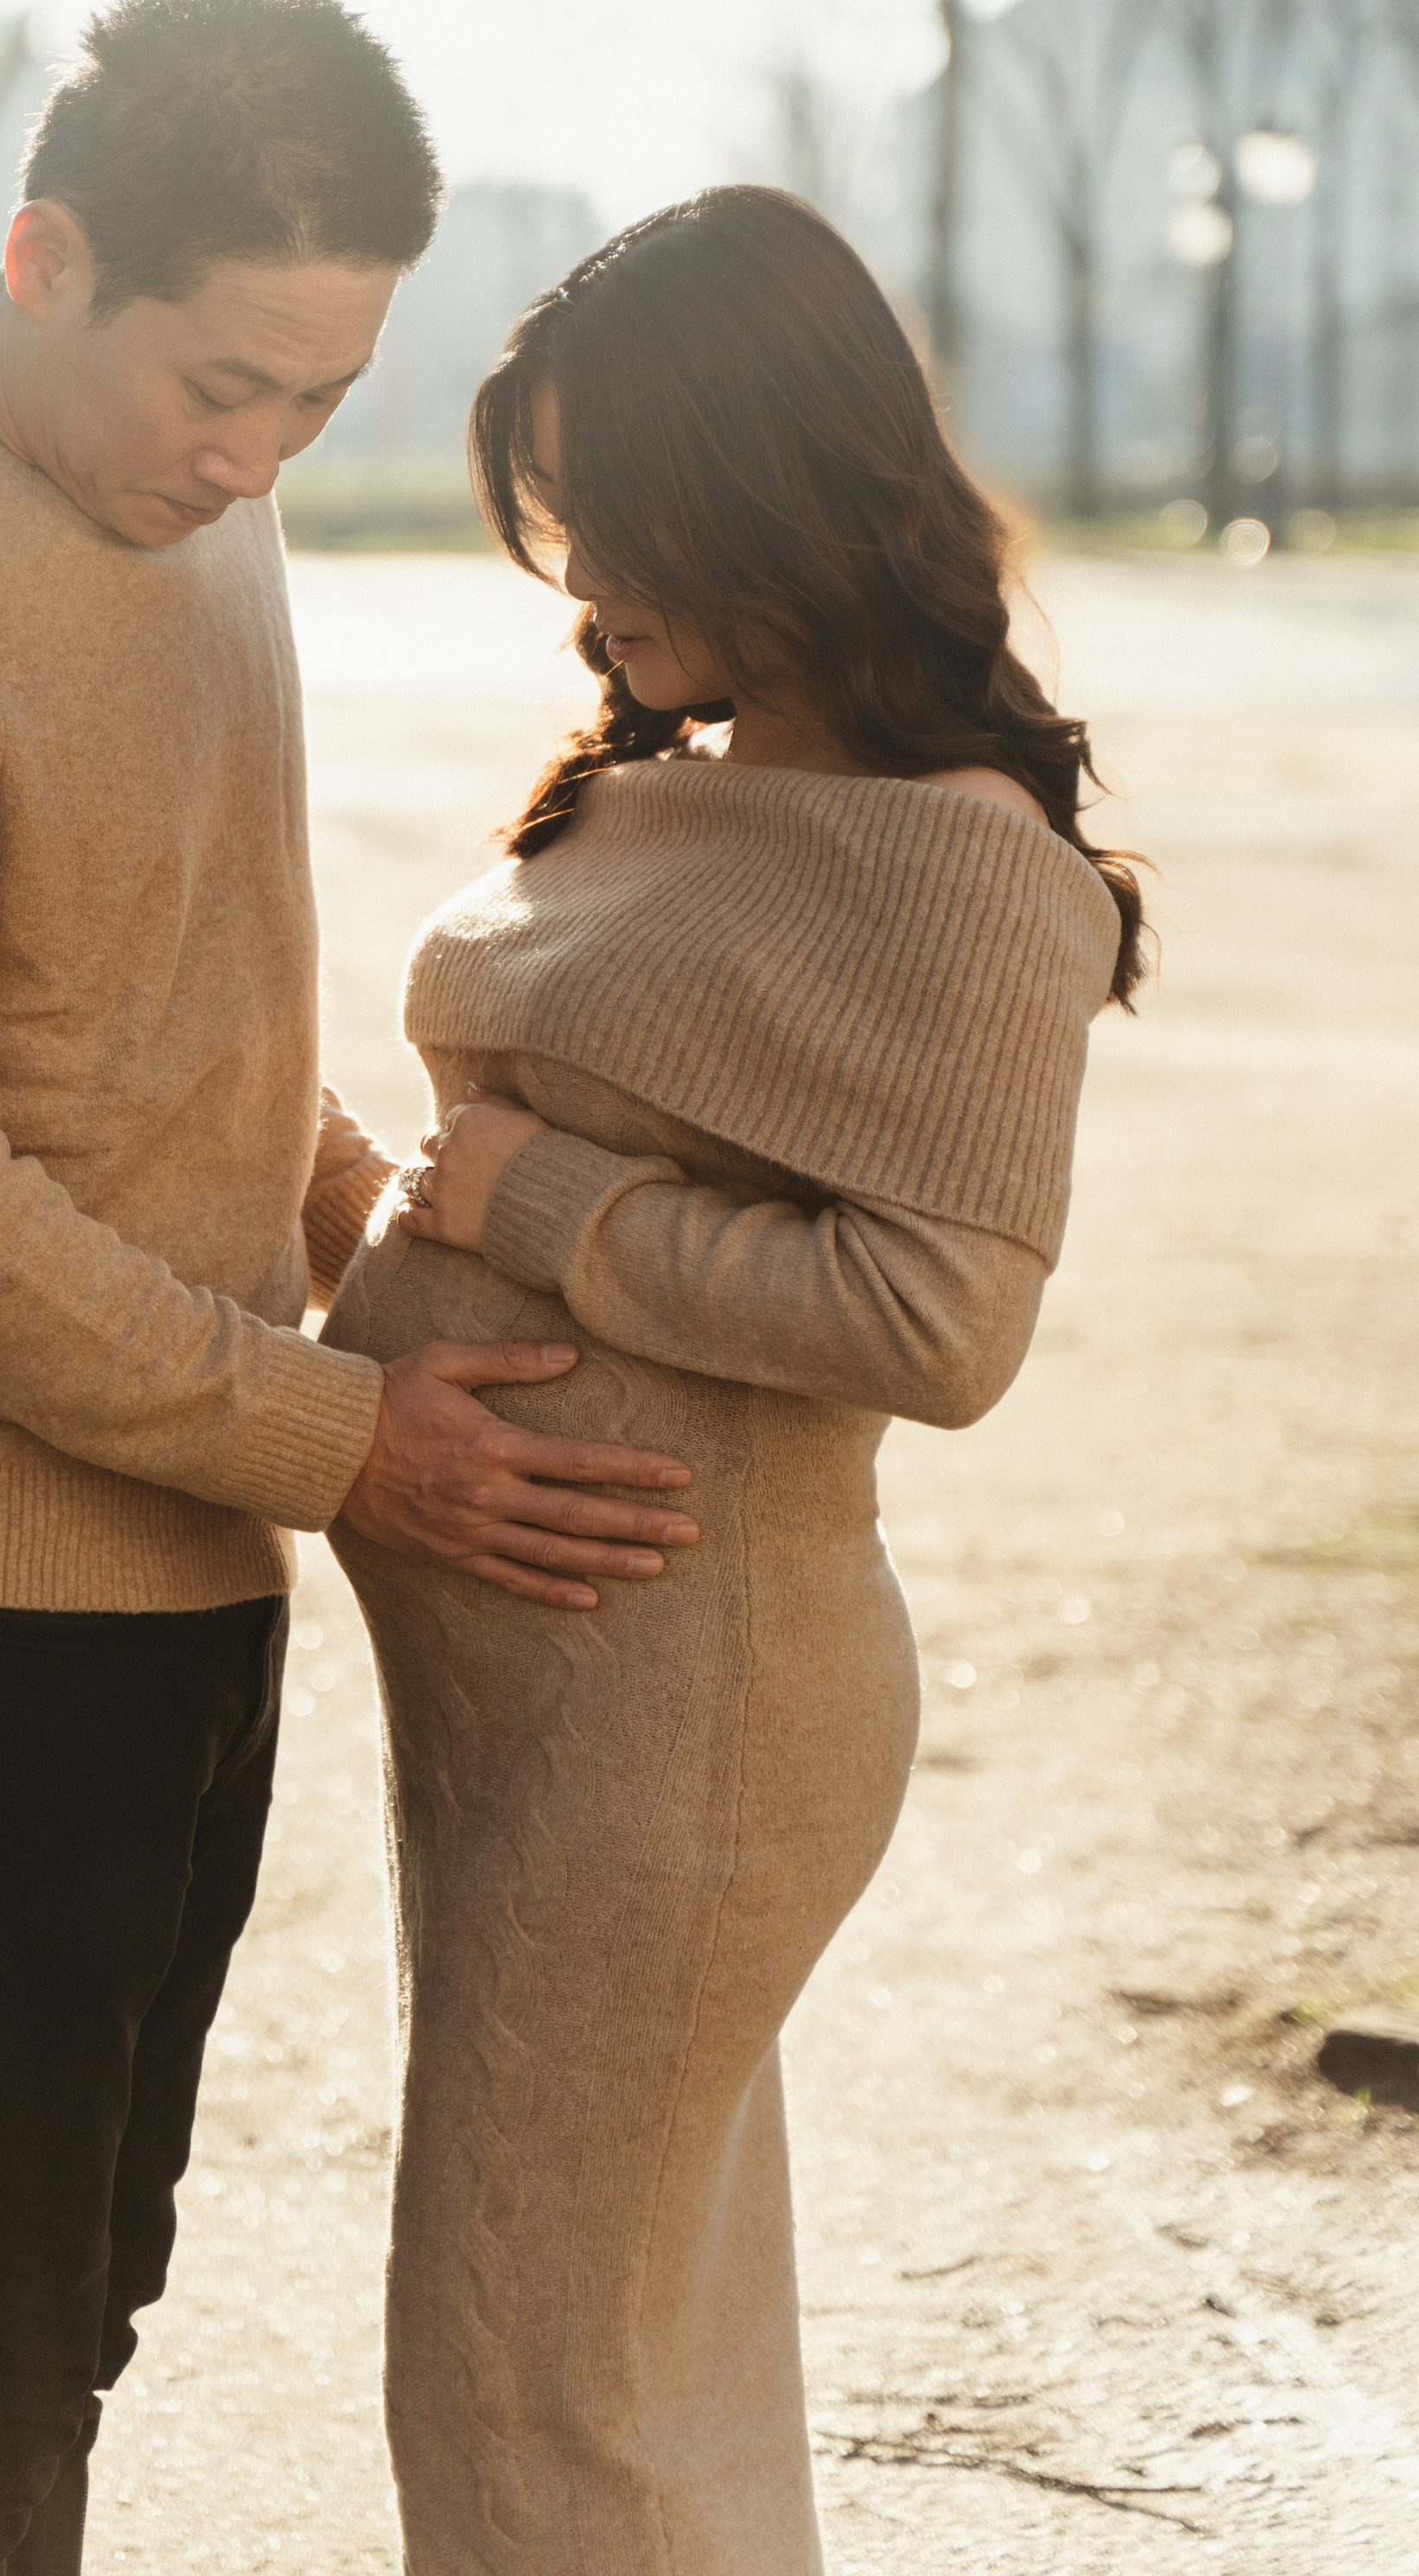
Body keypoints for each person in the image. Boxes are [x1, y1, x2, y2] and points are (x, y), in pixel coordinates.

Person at [0, 0, 698, 2576]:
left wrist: (379, 1218)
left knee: (69, 2320)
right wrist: (356, 1441)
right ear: (45, 258)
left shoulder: (183, 502)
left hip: (170, 1564)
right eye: (222, 385)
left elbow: (167, 1011)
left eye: (316, 405)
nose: (252, 458)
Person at [325, 184, 1146, 2576]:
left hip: (692, 1707)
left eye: (625, 516)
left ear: (777, 486)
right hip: (547, 1695)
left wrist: (535, 1207)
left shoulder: (963, 863)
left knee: (531, 2377)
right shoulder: (665, 769)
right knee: (629, 2366)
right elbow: (474, 1161)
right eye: (559, 518)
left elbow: (938, 1326)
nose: (585, 582)